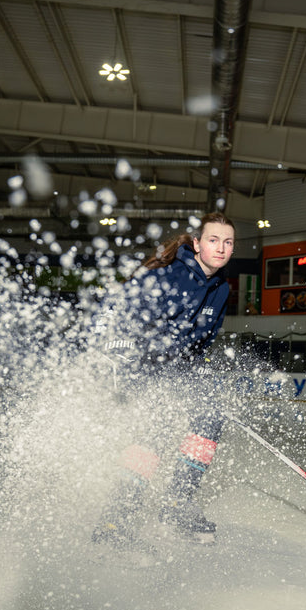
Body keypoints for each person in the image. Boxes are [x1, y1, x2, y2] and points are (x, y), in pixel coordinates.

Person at [89, 211, 236, 546]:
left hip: (173, 369)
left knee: (211, 416)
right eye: (213, 240)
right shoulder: (168, 274)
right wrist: (113, 343)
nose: (221, 247)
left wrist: (199, 365)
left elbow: (200, 345)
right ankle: (117, 517)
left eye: (228, 242)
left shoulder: (221, 290)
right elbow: (112, 307)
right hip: (137, 365)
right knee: (156, 429)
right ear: (198, 244)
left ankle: (178, 503)